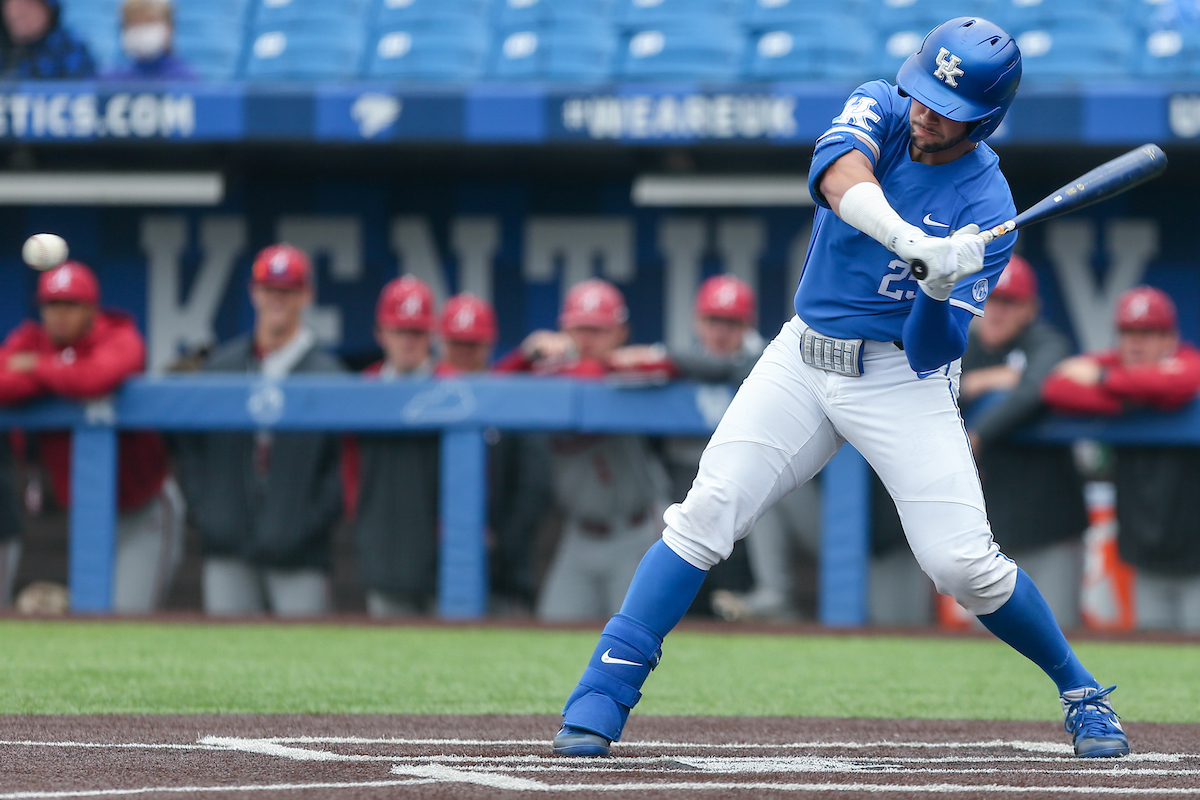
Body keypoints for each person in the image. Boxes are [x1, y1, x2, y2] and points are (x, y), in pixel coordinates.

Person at [551, 17, 1129, 760]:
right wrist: (912, 243)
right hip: (802, 356)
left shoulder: (988, 207)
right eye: (923, 95)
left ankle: (1081, 692)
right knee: (706, 512)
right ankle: (602, 693)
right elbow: (835, 176)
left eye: (945, 109)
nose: (924, 114)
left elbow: (934, 349)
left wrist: (937, 286)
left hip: (901, 379)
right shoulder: (882, 106)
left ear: (984, 119)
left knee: (961, 564)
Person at [610, 274, 821, 621]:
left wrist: (664, 356)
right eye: (713, 321)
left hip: (779, 516)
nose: (721, 332)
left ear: (747, 324)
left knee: (762, 479)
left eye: (731, 323)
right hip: (695, 519)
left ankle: (777, 597)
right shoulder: (678, 367)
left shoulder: (771, 360)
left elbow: (729, 368)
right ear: (698, 322)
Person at [0, 261, 184, 612]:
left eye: (71, 305)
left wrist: (38, 367)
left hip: (142, 506)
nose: (60, 314)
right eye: (52, 305)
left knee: (127, 615)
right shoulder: (31, 339)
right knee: (88, 616)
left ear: (91, 310)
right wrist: (59, 371)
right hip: (85, 512)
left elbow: (97, 378)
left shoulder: (118, 333)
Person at [173, 244, 343, 616]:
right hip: (228, 541)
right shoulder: (222, 367)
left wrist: (307, 523)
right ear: (254, 292)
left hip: (299, 551)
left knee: (304, 651)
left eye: (288, 290)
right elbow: (192, 448)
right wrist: (208, 512)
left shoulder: (328, 375)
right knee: (228, 650)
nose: (277, 299)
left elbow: (341, 464)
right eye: (269, 289)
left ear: (306, 295)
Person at [495, 279, 670, 622]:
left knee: (635, 637)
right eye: (579, 329)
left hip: (635, 532)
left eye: (598, 330)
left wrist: (559, 366)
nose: (588, 339)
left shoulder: (634, 370)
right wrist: (525, 355)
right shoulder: (551, 376)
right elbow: (489, 391)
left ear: (621, 333)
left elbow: (663, 366)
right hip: (577, 535)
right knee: (554, 628)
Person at [1043, 286, 1200, 631]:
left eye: (1149, 332)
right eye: (1129, 332)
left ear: (1170, 338)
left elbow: (1183, 382)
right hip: (1147, 557)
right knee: (1156, 655)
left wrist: (1104, 381)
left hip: (1195, 553)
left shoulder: (1187, 360)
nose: (1136, 342)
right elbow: (1056, 386)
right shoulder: (1115, 366)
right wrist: (1128, 397)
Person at [435, 293, 552, 614]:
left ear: (488, 344)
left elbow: (534, 485)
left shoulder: (514, 398)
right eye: (457, 343)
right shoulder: (426, 396)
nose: (464, 352)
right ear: (442, 343)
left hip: (506, 563)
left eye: (472, 344)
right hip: (435, 561)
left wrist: (502, 540)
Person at [342, 276, 440, 617]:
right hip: (381, 544)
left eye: (417, 331)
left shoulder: (450, 386)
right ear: (380, 333)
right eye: (400, 331)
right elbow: (348, 465)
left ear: (431, 334)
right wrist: (360, 517)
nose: (408, 341)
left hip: (440, 550)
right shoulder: (361, 389)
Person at [0, 0, 95, 78]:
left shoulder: (69, 49)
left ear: (48, 9)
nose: (18, 13)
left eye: (28, 5)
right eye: (13, 6)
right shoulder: (4, 50)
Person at [105, 0, 194, 80]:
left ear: (169, 27)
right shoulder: (111, 79)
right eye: (134, 22)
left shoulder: (184, 79)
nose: (141, 30)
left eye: (148, 21)